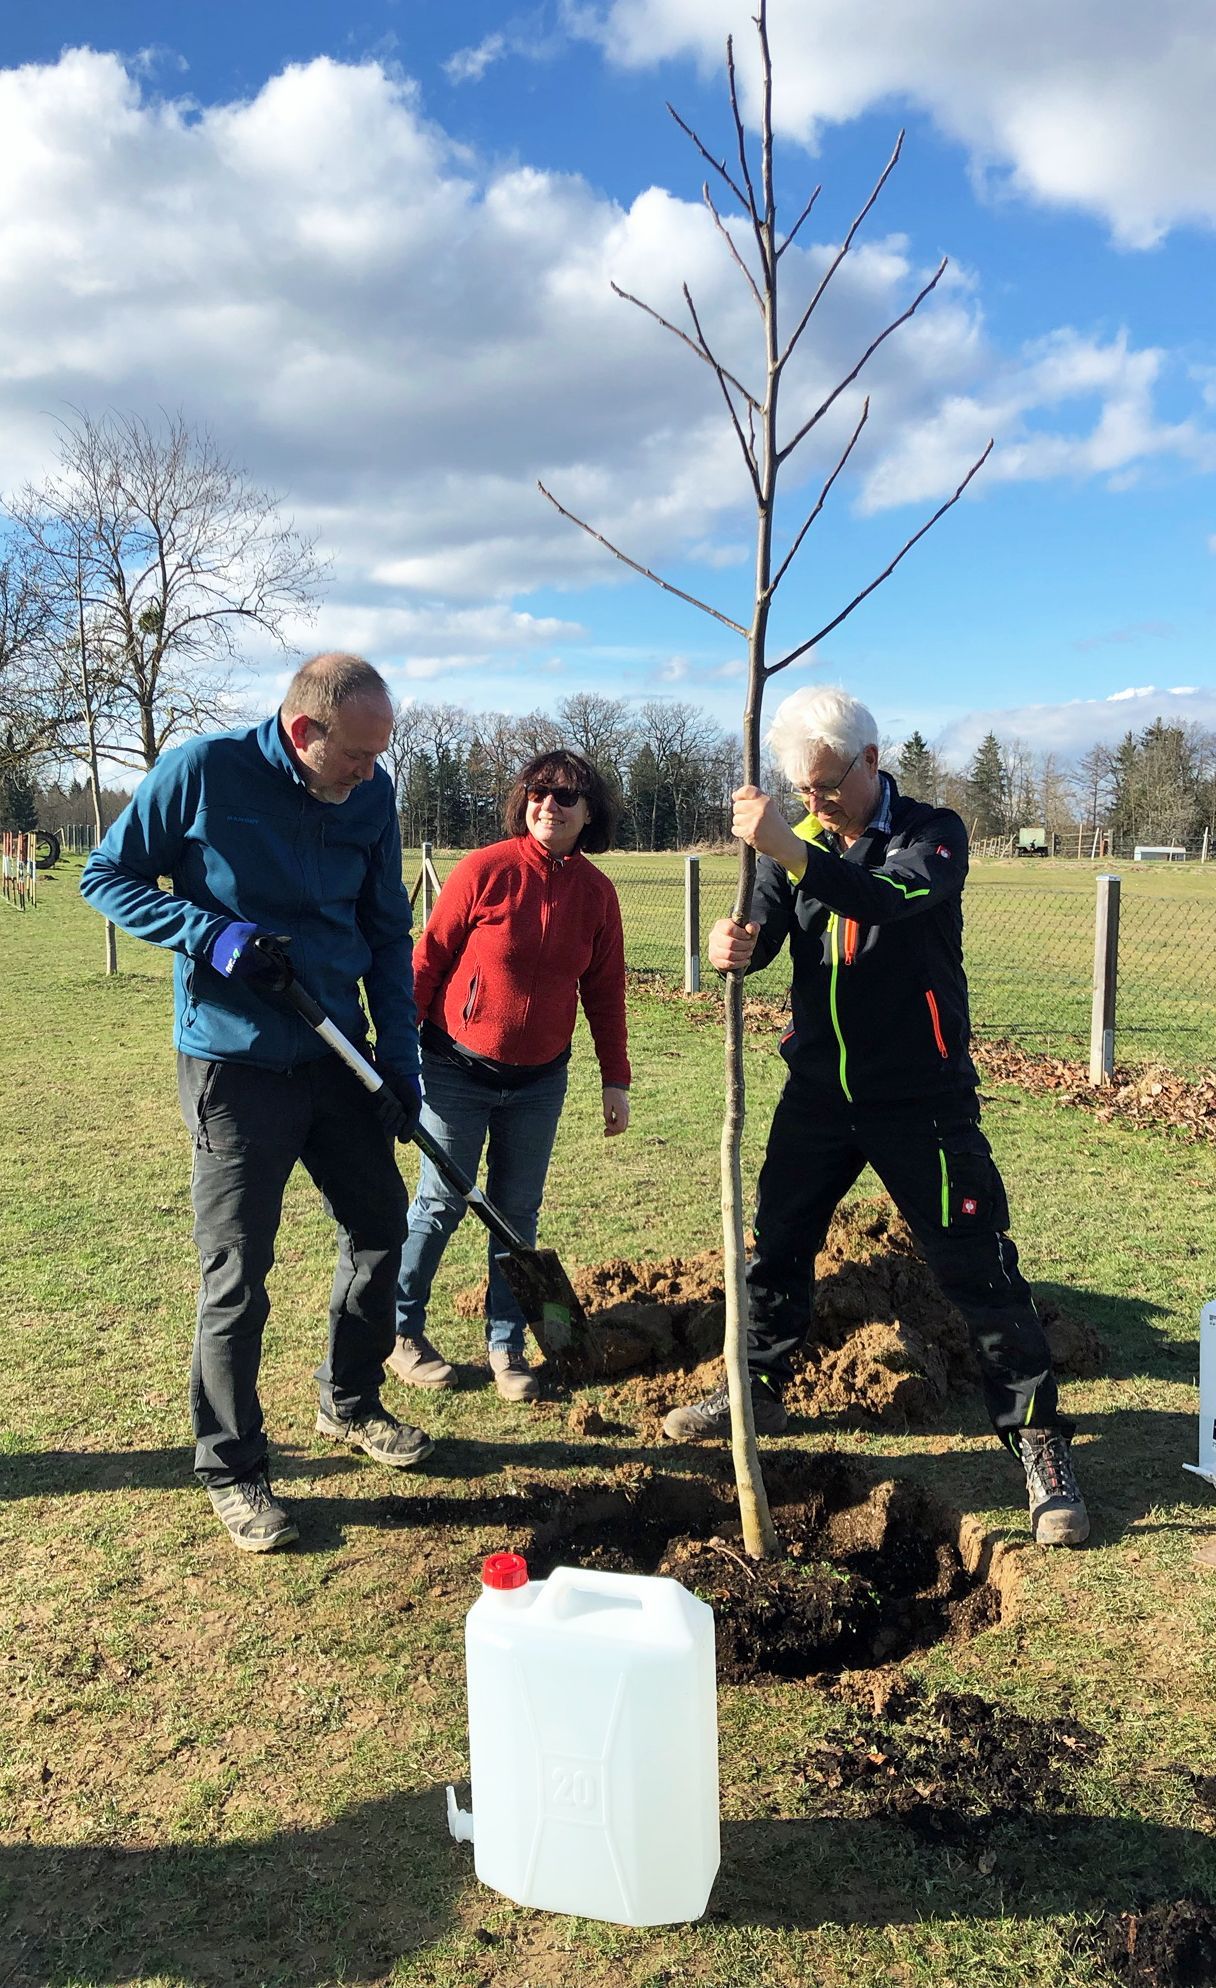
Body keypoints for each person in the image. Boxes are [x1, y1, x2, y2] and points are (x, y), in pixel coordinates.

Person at [662, 684, 1089, 1549]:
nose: (815, 803)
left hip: (922, 1100)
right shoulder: (802, 842)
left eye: (825, 786)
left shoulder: (934, 833)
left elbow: (883, 899)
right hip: (817, 1095)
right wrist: (730, 944)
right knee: (777, 1249)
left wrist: (790, 847)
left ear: (870, 760)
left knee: (976, 1266)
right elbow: (765, 932)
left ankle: (1038, 1441)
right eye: (802, 790)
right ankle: (756, 1390)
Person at [80, 653, 434, 1554]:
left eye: (379, 755)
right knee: (238, 1270)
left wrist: (399, 1060)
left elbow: (386, 931)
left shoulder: (370, 794)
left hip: (340, 1053)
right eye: (355, 754)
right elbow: (106, 876)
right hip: (234, 1064)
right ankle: (232, 1465)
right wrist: (209, 934)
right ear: (303, 729)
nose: (369, 772)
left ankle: (349, 1400)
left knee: (381, 1227)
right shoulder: (203, 771)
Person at [388, 749, 630, 1403]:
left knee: (515, 1215)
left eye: (566, 796)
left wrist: (616, 1078)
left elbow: (605, 992)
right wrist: (396, 1053)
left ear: (589, 813)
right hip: (454, 1071)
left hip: (539, 1084)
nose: (549, 805)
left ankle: (507, 1347)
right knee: (440, 1204)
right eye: (538, 793)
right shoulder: (484, 870)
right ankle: (399, 1331)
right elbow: (426, 961)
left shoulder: (598, 896)